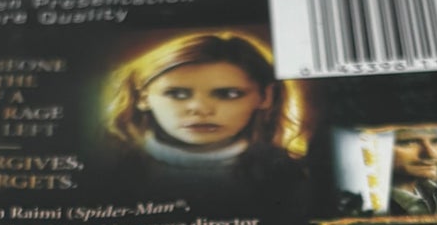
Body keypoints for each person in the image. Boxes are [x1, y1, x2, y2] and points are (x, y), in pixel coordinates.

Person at [103, 32, 307, 194]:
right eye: (176, 94)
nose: (200, 108)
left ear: (266, 97)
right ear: (142, 98)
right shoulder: (106, 171)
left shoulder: (293, 178)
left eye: (228, 94)